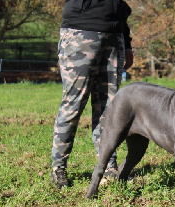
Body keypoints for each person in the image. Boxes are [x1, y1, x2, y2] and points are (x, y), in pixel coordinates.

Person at [51, 0, 134, 188]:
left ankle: (108, 167)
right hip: (81, 31)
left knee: (110, 109)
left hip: (115, 35)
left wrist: (126, 42)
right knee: (73, 104)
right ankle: (59, 168)